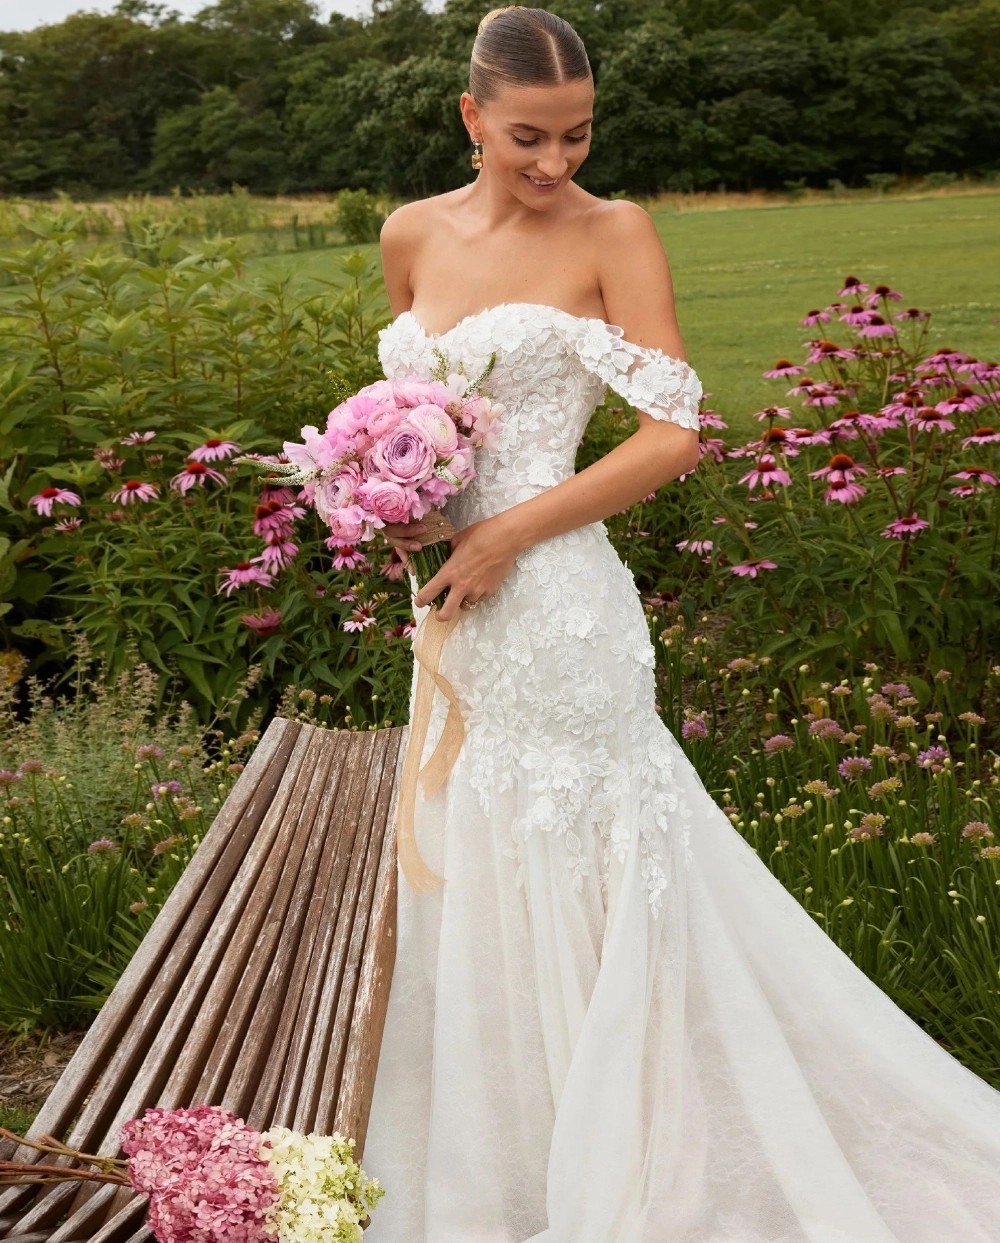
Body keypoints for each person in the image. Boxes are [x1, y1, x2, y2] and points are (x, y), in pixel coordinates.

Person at [362, 8, 1000, 1241]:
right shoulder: (408, 234)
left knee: (592, 850)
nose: (556, 165)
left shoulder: (614, 232)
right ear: (470, 118)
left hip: (557, 606)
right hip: (449, 604)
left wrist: (505, 532)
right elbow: (412, 411)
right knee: (478, 841)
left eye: (580, 135)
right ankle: (515, 1162)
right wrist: (404, 507)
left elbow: (673, 433)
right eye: (528, 139)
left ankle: (644, 1166)